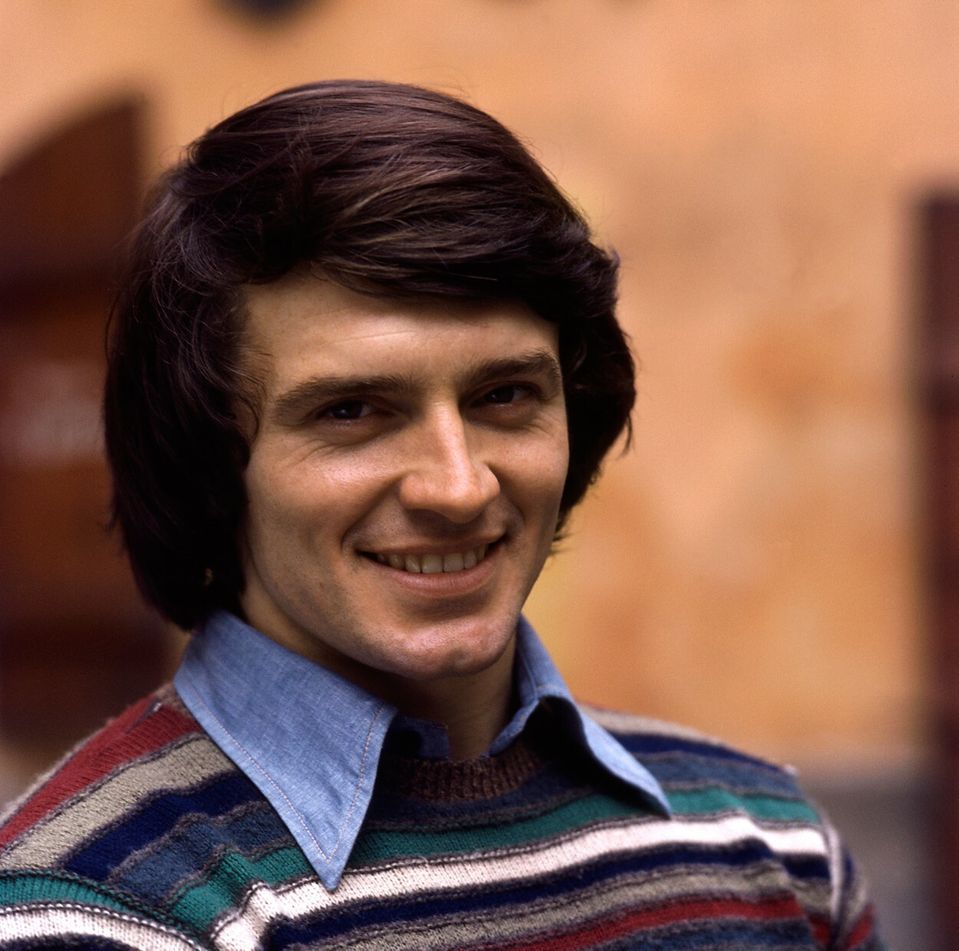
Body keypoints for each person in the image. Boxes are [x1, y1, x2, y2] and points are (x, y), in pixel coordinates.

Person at [0, 80, 885, 950]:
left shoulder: (774, 851)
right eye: (352, 411)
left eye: (504, 395)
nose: (459, 487)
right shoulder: (90, 910)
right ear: (210, 461)